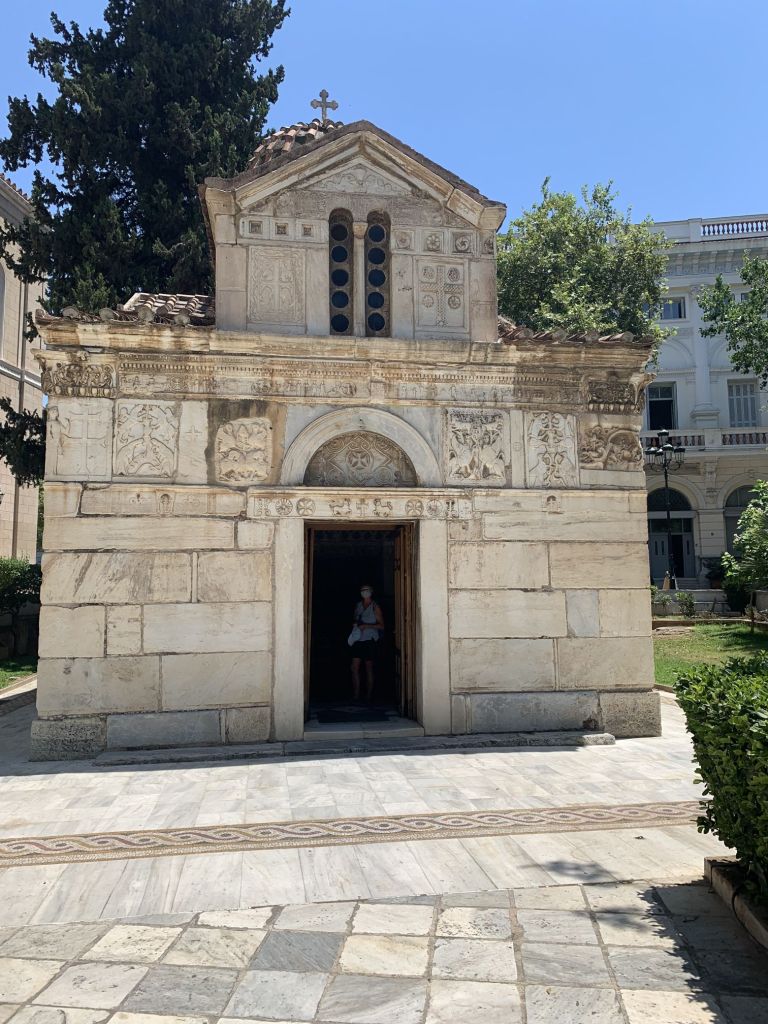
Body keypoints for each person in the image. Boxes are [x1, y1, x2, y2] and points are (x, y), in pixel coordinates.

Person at [350, 584, 384, 703]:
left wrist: (367, 626)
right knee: (354, 667)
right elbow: (355, 618)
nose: (364, 592)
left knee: (368, 668)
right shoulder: (358, 605)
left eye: (367, 590)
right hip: (357, 640)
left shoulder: (375, 607)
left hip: (370, 640)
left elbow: (382, 626)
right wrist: (356, 623)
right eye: (362, 590)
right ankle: (356, 695)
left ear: (371, 592)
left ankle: (368, 696)